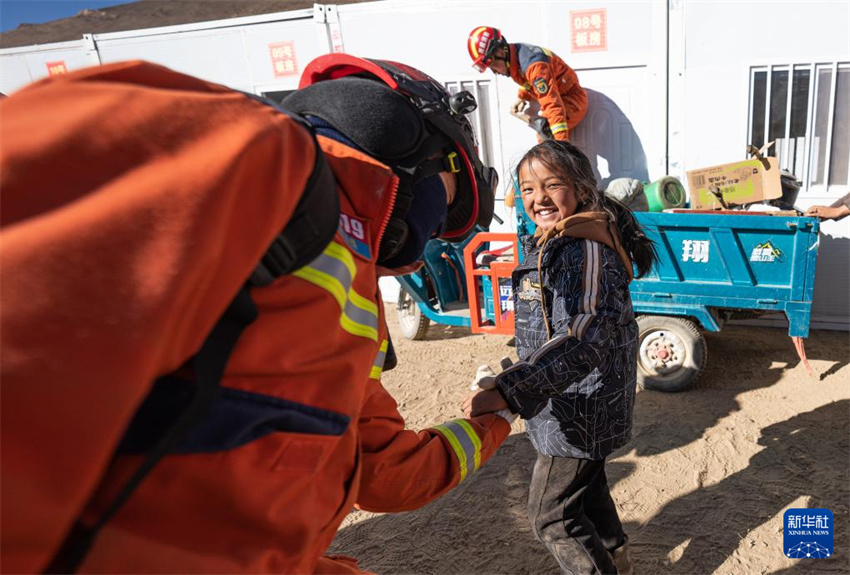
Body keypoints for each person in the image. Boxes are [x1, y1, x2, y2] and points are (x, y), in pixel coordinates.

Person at [0, 55, 512, 574]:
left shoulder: (353, 282)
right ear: (403, 137)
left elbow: (378, 470)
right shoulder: (242, 150)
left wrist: (494, 421)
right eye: (449, 198)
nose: (435, 230)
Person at [464, 140, 658, 574]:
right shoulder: (559, 239)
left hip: (580, 408)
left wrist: (511, 391)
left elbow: (585, 337)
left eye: (552, 185)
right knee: (587, 489)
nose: (538, 198)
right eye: (528, 188)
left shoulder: (584, 248)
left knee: (551, 515)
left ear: (582, 188)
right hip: (568, 397)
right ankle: (617, 557)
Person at [467, 26, 588, 142]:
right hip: (560, 99)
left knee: (546, 135)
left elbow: (552, 104)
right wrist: (522, 97)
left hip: (572, 102)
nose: (495, 72)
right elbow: (528, 80)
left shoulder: (534, 65)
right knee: (546, 141)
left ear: (500, 53)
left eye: (493, 66)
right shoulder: (515, 56)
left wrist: (562, 143)